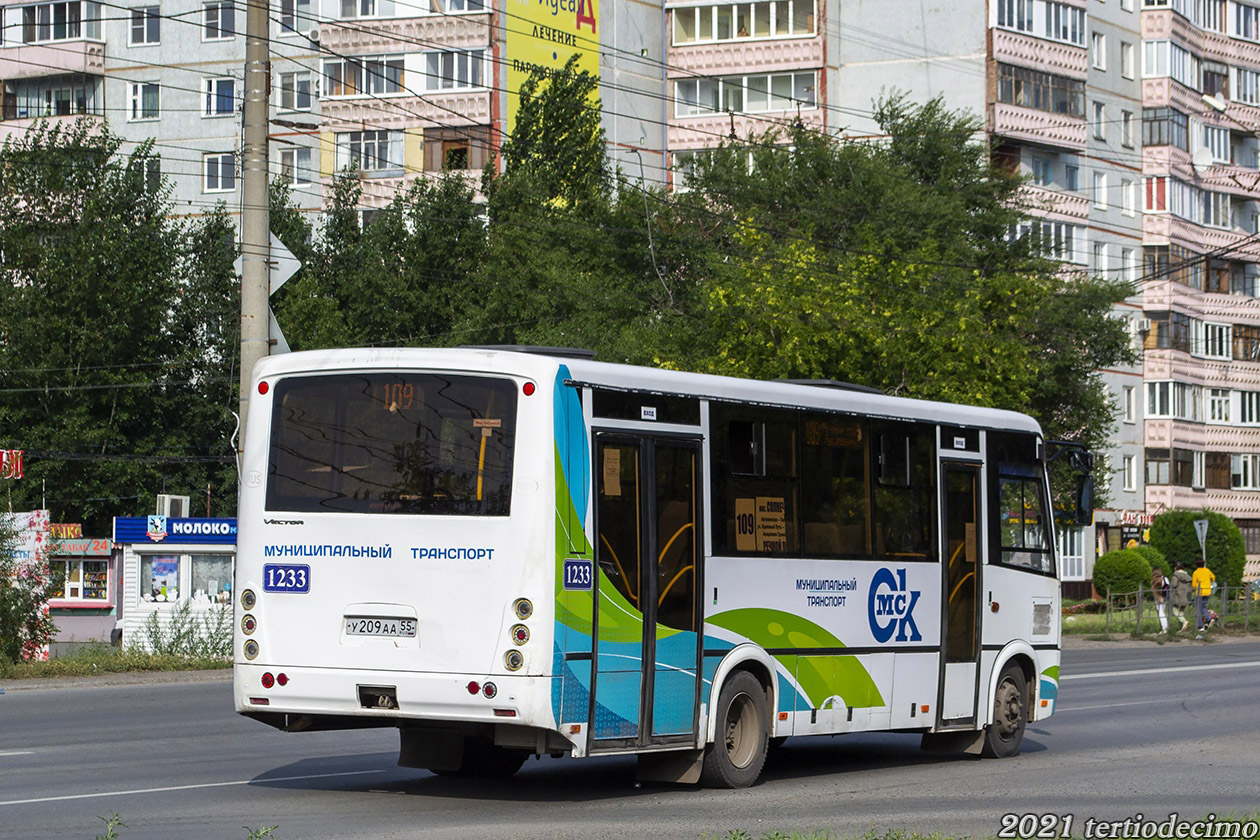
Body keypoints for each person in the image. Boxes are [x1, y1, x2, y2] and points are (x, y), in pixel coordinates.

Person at [1191, 558, 1216, 636]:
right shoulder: (1207, 570)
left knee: (1198, 609)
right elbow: (1213, 577)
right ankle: (1209, 619)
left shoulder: (1196, 573)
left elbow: (1194, 584)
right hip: (1207, 591)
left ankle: (1200, 626)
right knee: (1203, 607)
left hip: (1200, 592)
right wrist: (1210, 582)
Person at [1169, 561, 1192, 633]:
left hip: (1178, 596)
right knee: (1181, 611)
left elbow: (1174, 585)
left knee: (1174, 610)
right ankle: (1183, 627)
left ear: (1176, 567)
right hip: (1186, 596)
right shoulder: (1188, 577)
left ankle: (1184, 621)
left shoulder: (1175, 576)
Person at [1151, 566, 1169, 633]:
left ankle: (1164, 628)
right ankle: (1164, 628)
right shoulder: (1165, 578)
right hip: (1165, 597)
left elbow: (1153, 590)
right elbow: (1169, 587)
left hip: (1157, 597)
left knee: (1161, 612)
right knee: (1162, 612)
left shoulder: (1153, 580)